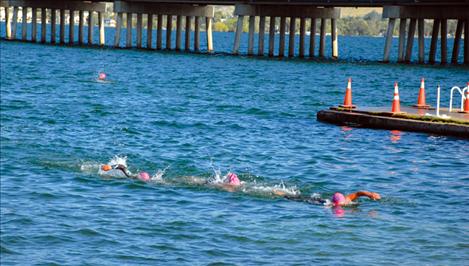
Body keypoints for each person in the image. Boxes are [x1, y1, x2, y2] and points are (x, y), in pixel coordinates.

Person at [283, 191, 381, 206]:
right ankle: (281, 192)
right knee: (291, 197)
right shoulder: (331, 205)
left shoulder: (347, 200)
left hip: (323, 200)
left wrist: (370, 194)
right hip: (318, 201)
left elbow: (358, 193)